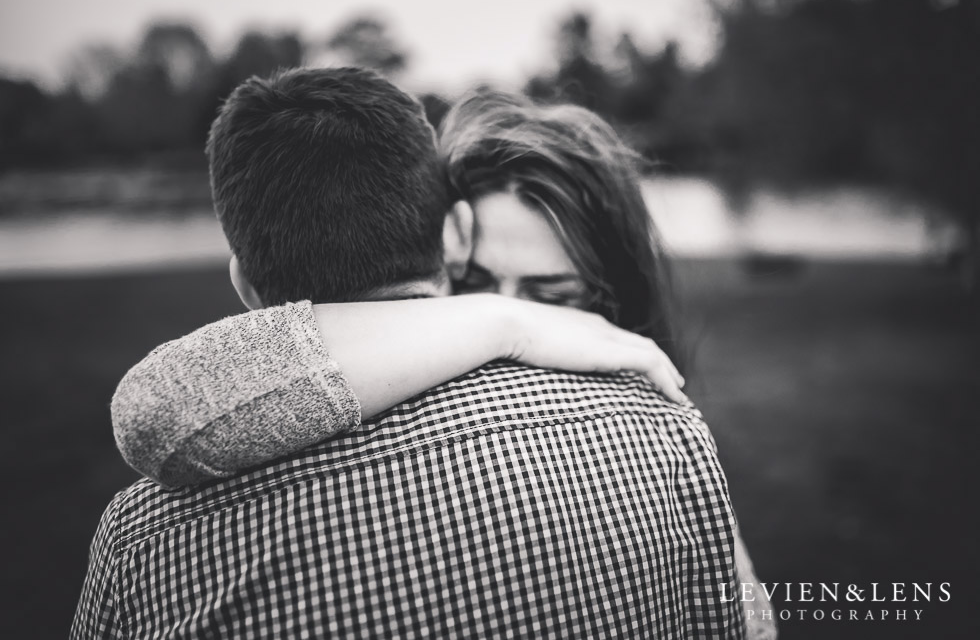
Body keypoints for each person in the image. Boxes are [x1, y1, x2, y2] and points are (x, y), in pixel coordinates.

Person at [73, 67, 747, 638]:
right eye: (482, 291)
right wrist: (504, 322)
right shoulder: (661, 441)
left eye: (553, 298)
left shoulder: (141, 545)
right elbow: (164, 409)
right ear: (453, 238)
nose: (524, 328)